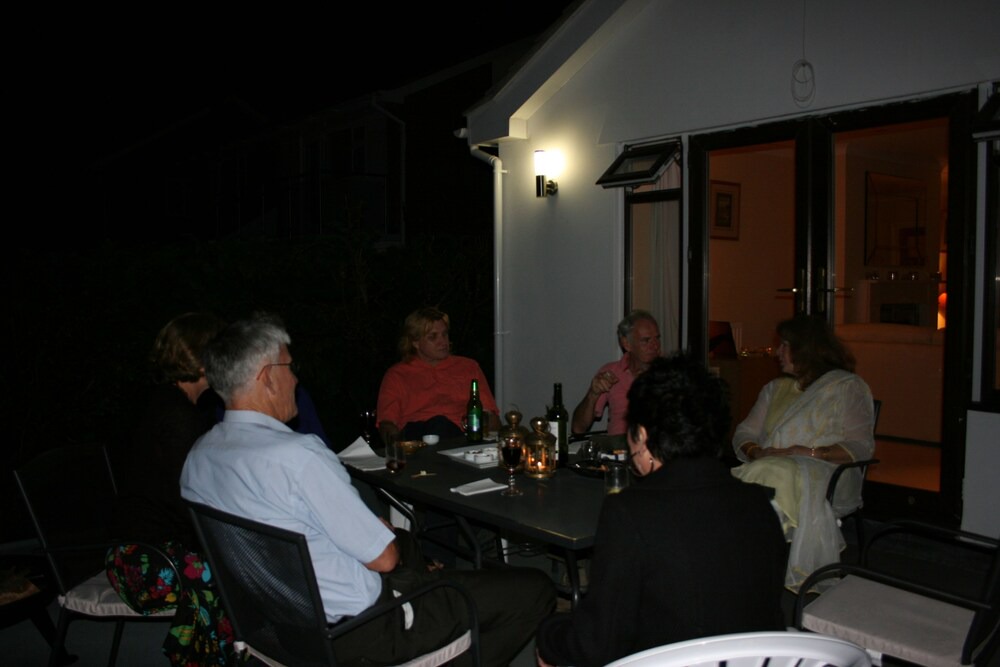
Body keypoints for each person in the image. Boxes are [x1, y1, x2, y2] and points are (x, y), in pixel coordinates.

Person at [180, 313, 555, 667]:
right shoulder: (297, 456)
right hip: (364, 629)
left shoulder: (200, 457)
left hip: (277, 623)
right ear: (267, 377)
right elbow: (384, 560)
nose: (295, 378)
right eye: (289, 367)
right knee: (535, 589)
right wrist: (374, 537)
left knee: (411, 550)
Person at [536, 353, 787, 667]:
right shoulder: (759, 504)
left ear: (642, 436)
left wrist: (548, 633)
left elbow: (598, 645)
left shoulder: (629, 513)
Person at [106, 312, 235, 666]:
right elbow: (190, 506)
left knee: (230, 560)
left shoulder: (178, 406)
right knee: (223, 570)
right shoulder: (176, 417)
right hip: (141, 561)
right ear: (202, 358)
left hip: (157, 550)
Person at [731, 315, 875, 591]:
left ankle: (743, 553)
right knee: (773, 470)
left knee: (774, 474)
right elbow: (743, 433)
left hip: (827, 471)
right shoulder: (774, 389)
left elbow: (860, 447)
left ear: (806, 349)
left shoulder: (847, 387)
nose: (777, 352)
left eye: (785, 345)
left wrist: (805, 452)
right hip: (771, 467)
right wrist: (757, 451)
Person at [377, 307, 499, 443]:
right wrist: (395, 449)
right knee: (438, 423)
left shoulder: (468, 367)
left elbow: (489, 415)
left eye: (445, 334)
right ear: (415, 342)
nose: (442, 342)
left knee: (443, 425)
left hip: (460, 437)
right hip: (418, 441)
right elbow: (387, 423)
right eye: (433, 337)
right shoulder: (398, 375)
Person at [571, 309, 662, 436]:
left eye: (657, 338)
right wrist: (593, 394)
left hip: (657, 450)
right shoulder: (611, 372)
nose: (655, 346)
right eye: (646, 340)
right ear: (626, 344)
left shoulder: (669, 375)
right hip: (617, 452)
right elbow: (578, 428)